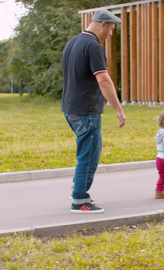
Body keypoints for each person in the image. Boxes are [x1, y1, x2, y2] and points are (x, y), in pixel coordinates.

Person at [61, 9, 126, 214]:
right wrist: (118, 108)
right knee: (89, 155)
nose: (111, 34)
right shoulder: (93, 46)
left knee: (85, 153)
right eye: (112, 29)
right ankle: (79, 199)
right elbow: (104, 80)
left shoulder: (73, 42)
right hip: (86, 111)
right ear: (103, 24)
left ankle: (80, 190)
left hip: (70, 109)